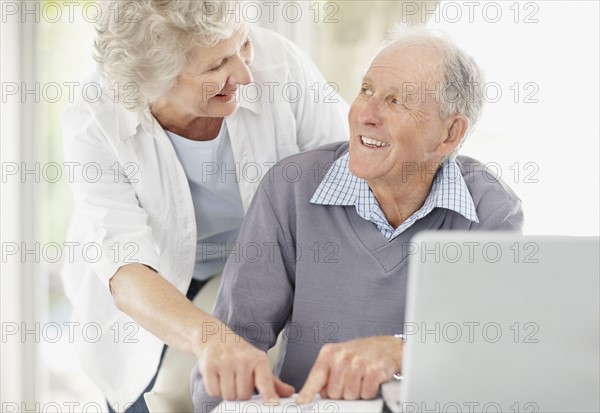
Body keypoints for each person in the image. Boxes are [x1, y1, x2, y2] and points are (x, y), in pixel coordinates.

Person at [191, 25, 524, 412]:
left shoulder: (489, 209)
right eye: (366, 90)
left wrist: (402, 352)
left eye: (397, 101)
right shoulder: (291, 188)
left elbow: (493, 346)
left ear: (450, 134)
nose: (366, 113)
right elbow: (233, 345)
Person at [61, 1, 348, 411]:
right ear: (153, 82)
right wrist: (211, 338)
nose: (245, 74)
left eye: (243, 44)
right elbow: (127, 268)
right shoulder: (95, 118)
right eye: (216, 68)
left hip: (265, 267)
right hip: (154, 285)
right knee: (149, 397)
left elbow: (345, 191)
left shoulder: (280, 67)